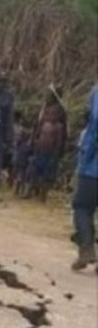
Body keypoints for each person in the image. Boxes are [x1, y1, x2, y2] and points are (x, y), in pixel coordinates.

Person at [24, 85, 68, 201]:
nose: (48, 96)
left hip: (52, 146)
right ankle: (30, 191)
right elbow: (37, 127)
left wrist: (59, 149)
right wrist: (34, 140)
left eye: (51, 94)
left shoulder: (60, 113)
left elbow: (63, 132)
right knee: (34, 167)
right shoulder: (44, 109)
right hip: (40, 144)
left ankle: (43, 195)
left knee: (48, 170)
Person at [71, 85, 98, 272]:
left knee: (81, 207)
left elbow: (95, 124)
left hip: (94, 168)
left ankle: (86, 248)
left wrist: (85, 159)